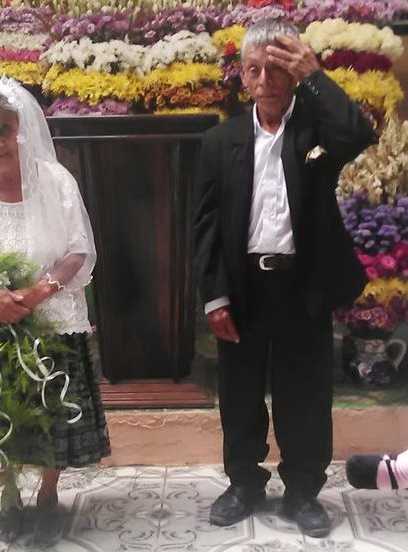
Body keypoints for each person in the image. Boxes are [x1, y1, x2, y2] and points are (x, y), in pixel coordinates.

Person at [194, 19, 376, 538]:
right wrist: (214, 296)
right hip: (244, 286)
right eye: (255, 70)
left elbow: (359, 132)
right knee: (240, 391)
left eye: (277, 70)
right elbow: (205, 225)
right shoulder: (219, 141)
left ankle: (302, 491)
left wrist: (317, 76)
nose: (266, 80)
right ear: (243, 77)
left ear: (293, 74)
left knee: (306, 394)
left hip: (302, 287)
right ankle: (243, 484)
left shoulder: (317, 134)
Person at [0, 74, 110, 541]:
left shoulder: (55, 180)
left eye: (4, 130)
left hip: (47, 312)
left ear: (21, 130)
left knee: (50, 408)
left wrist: (37, 293)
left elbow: (77, 250)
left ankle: (49, 493)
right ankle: (7, 494)